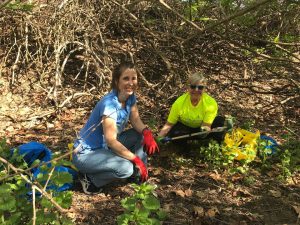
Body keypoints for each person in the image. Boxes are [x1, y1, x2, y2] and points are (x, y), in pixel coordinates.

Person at [72, 61, 159, 195]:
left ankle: (140, 178)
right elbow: (111, 141)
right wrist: (135, 159)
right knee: (126, 168)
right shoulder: (110, 105)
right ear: (117, 81)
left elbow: (135, 120)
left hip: (105, 148)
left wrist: (147, 132)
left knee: (140, 135)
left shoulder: (130, 97)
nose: (130, 83)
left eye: (133, 78)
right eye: (126, 78)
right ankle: (91, 180)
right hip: (87, 154)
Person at [157, 72, 225, 146]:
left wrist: (205, 130)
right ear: (188, 87)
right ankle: (184, 150)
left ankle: (217, 146)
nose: (196, 90)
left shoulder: (210, 103)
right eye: (193, 86)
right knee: (174, 132)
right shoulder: (179, 103)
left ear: (205, 88)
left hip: (201, 130)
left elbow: (206, 125)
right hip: (185, 130)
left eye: (200, 87)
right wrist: (159, 137)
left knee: (220, 121)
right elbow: (169, 124)